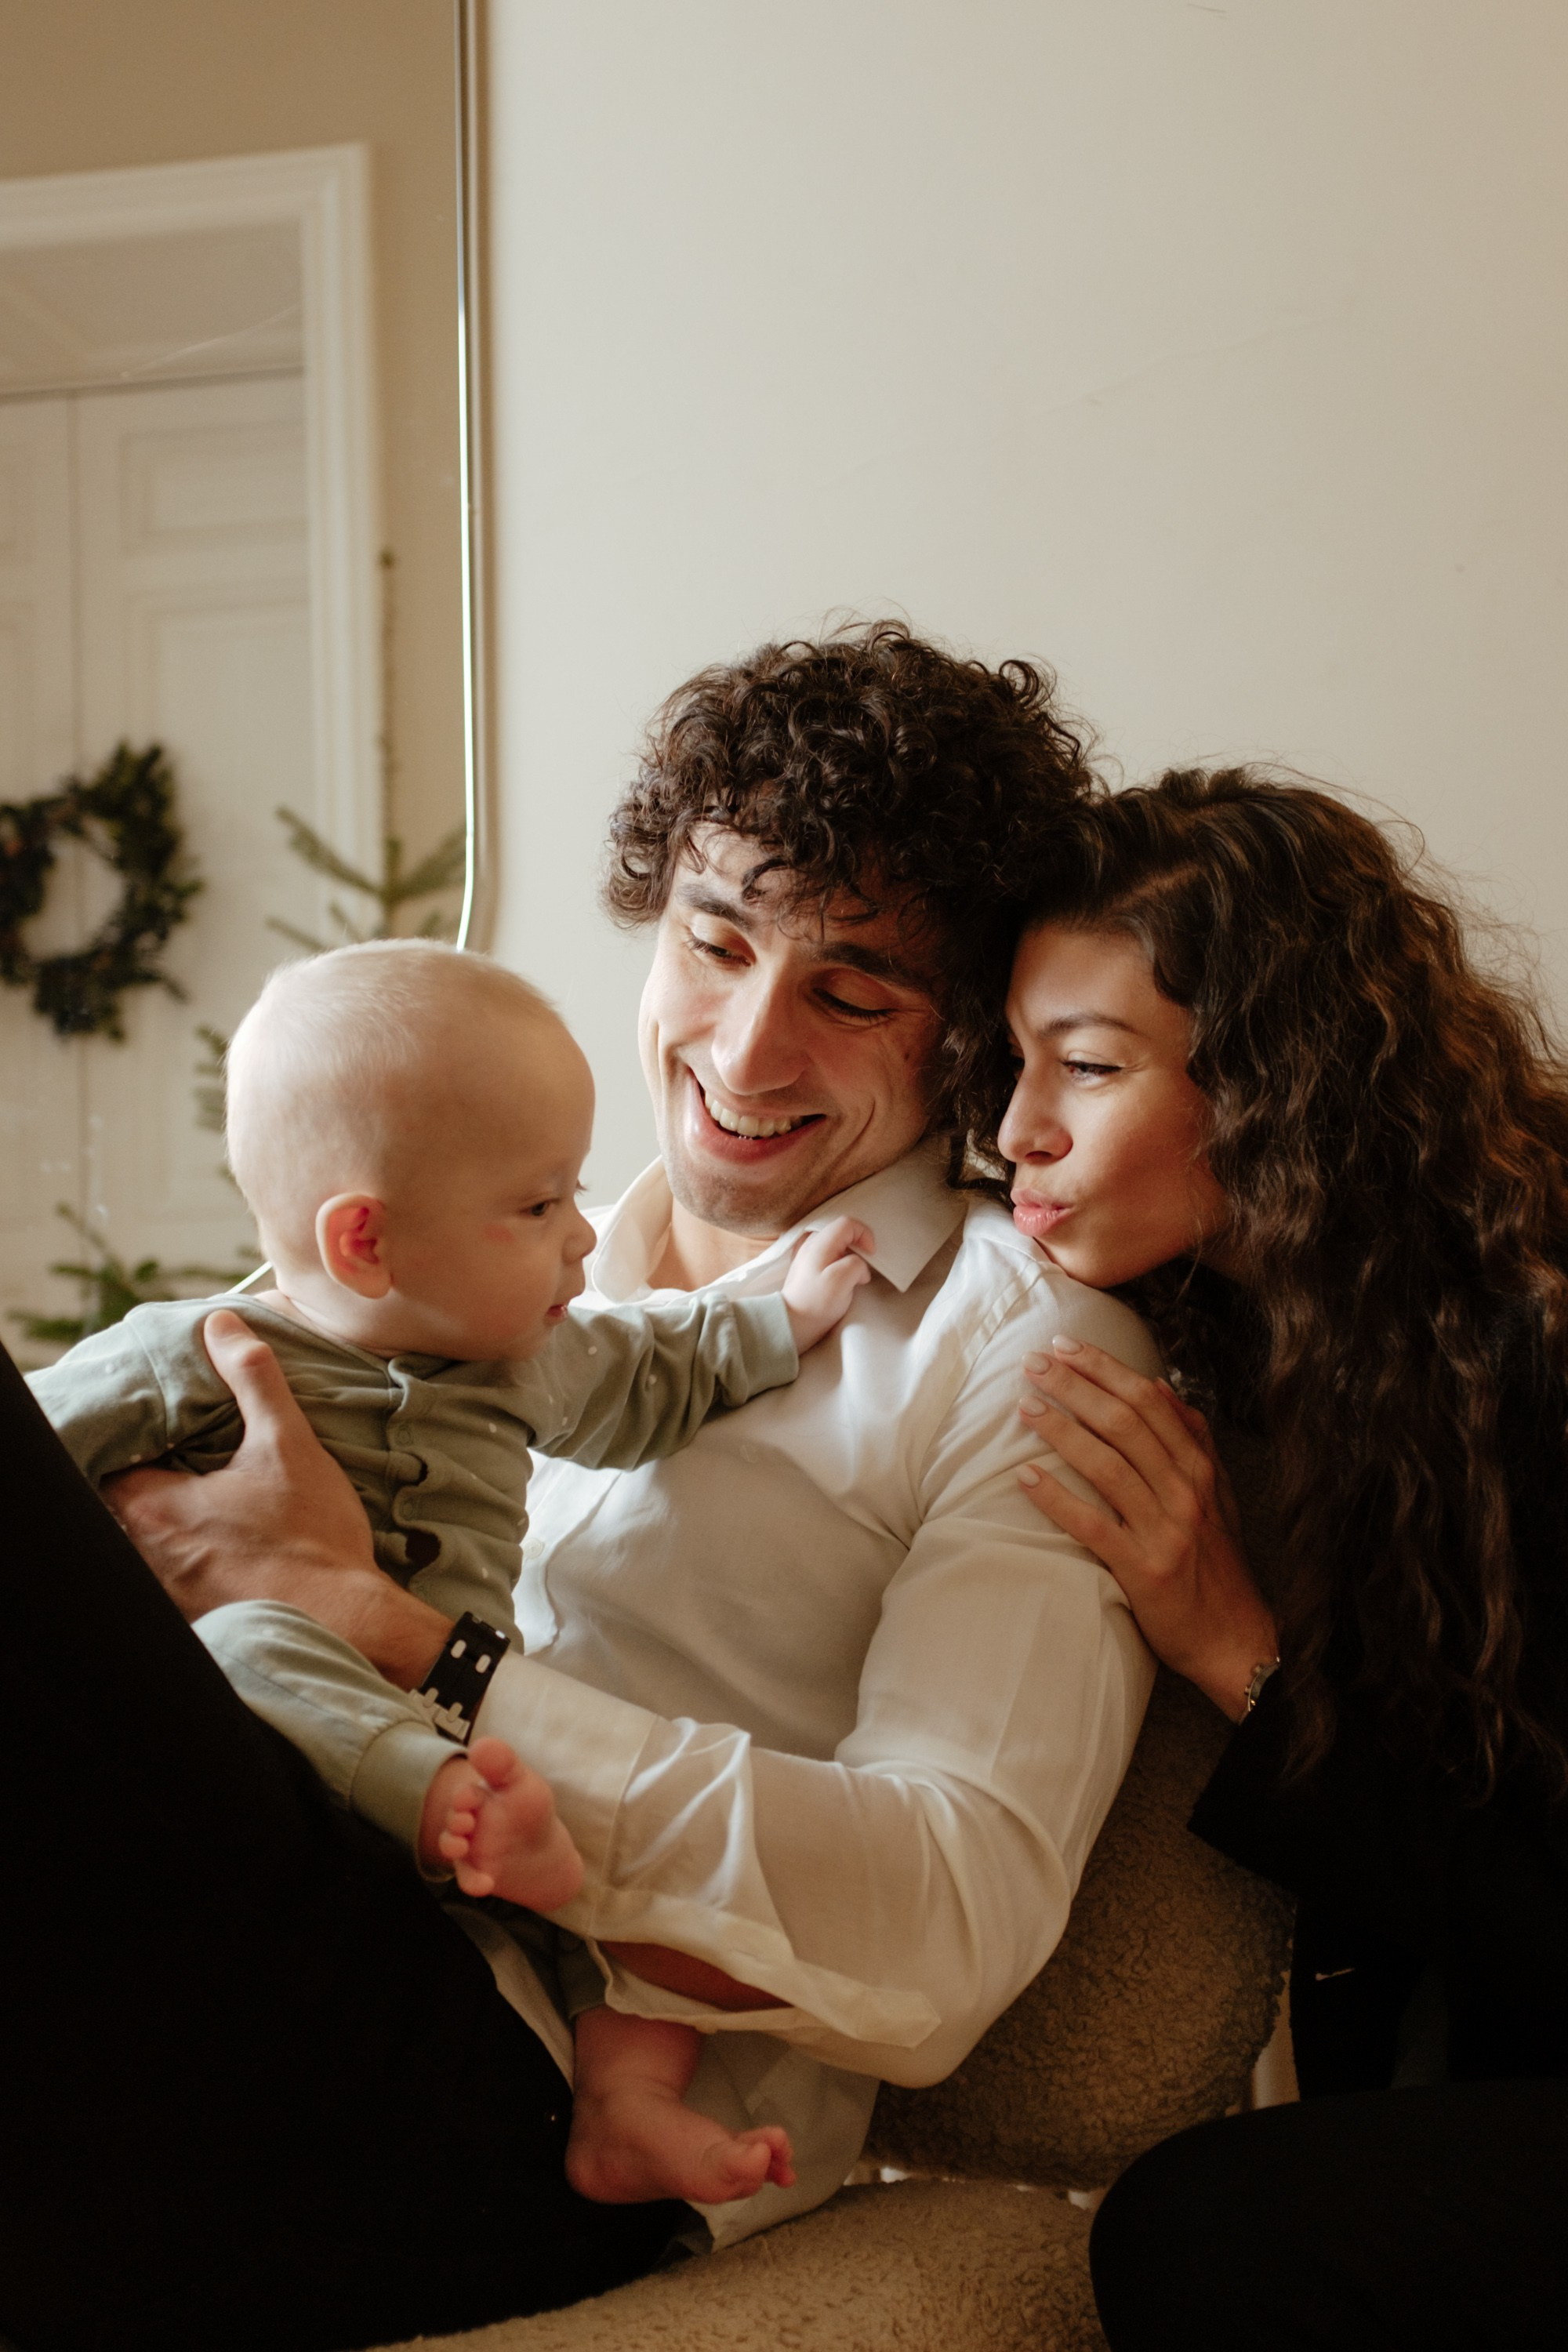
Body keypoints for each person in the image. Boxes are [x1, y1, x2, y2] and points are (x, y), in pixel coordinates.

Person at [104, 621, 1163, 2269]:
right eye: (716, 942)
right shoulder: (495, 1251)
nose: (745, 1055)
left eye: (854, 990)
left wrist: (392, 1637)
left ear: (960, 1030)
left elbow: (949, 1931)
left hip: (541, 2099)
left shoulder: (1020, 1344)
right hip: (221, 1929)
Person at [29, 936, 882, 2209]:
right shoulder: (191, 1355)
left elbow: (658, 1380)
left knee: (603, 1886)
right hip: (275, 1759)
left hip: (469, 1728)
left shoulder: (526, 1355)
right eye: (539, 1206)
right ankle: (438, 1809)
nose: (585, 1237)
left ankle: (625, 2107)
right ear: (367, 1242)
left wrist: (778, 1321)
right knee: (254, 1643)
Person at [989, 767, 1568, 2350]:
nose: (1013, 1130)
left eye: (1087, 1067)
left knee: (1207, 2233)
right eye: (1013, 1058)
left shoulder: (1536, 1353)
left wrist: (1240, 1657)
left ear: (1273, 1080)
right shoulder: (1218, 1337)